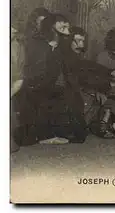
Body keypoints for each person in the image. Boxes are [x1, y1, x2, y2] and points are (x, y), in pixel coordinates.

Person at [15, 14, 87, 146]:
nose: (66, 31)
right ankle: (44, 136)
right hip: (36, 86)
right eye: (63, 27)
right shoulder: (37, 44)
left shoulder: (61, 46)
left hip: (53, 86)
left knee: (70, 98)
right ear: (52, 28)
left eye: (67, 27)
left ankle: (55, 133)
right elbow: (32, 71)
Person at [64, 27, 115, 138]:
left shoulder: (79, 56)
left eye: (83, 41)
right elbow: (91, 79)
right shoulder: (100, 56)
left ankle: (109, 120)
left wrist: (112, 72)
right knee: (110, 96)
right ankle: (107, 121)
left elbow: (91, 66)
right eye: (78, 41)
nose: (81, 45)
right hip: (91, 90)